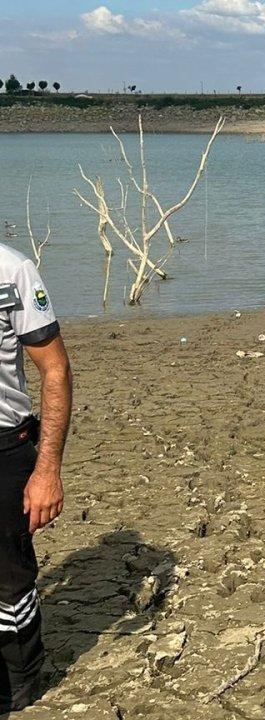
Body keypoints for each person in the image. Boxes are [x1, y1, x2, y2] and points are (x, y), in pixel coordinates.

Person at [0, 244, 71, 711]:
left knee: (8, 578)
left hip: (5, 445)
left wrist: (46, 470)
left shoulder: (12, 269)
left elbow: (56, 370)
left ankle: (20, 683)